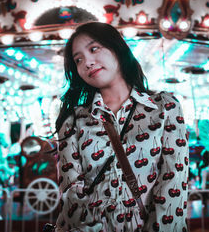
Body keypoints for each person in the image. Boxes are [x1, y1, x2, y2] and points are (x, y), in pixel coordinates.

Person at [54, 22, 188, 232]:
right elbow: (72, 190)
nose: (87, 62)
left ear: (117, 48)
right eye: (78, 59)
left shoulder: (164, 107)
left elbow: (174, 181)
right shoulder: (73, 120)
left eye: (94, 49)